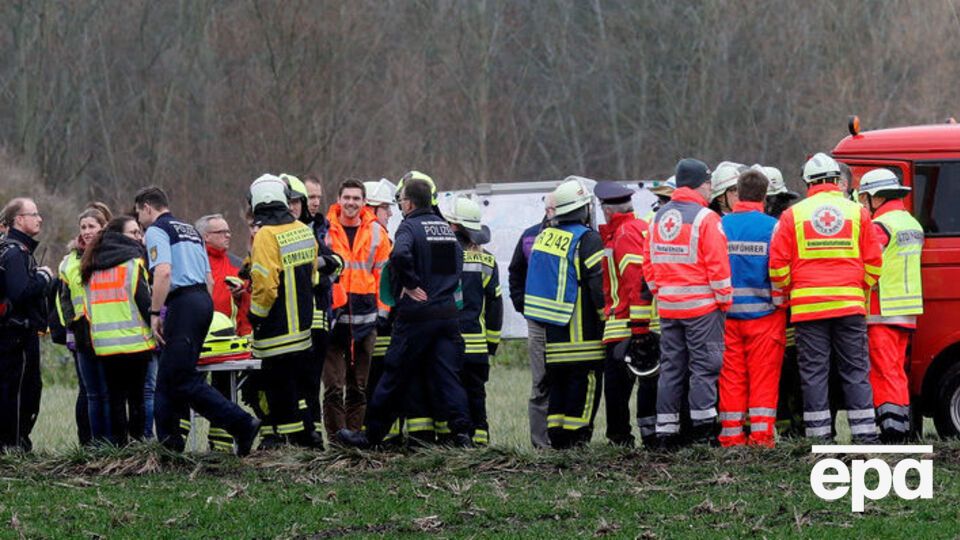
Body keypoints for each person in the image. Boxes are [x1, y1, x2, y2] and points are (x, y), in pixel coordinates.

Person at [337, 173, 471, 448]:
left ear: (408, 204)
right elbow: (459, 260)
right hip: (446, 315)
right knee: (448, 376)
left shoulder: (409, 228)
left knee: (393, 374)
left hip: (418, 315)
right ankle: (462, 434)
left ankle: (370, 435)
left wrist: (410, 284)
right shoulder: (445, 228)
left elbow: (399, 255)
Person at [135, 186, 259, 455]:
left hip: (183, 302)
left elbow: (164, 272)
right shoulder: (190, 230)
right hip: (203, 301)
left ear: (147, 207)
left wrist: (156, 313)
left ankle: (241, 423)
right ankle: (170, 445)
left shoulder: (157, 230)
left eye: (138, 214)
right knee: (168, 378)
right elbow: (210, 279)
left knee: (180, 378)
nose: (138, 221)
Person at [769, 153, 883, 443]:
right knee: (855, 370)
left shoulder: (793, 215)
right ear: (836, 180)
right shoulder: (858, 212)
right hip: (849, 306)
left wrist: (791, 293)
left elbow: (778, 267)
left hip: (808, 311)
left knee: (814, 375)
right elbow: (874, 263)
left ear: (808, 182)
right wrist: (859, 288)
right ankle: (865, 437)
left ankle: (820, 440)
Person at [643, 158, 731, 448]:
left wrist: (663, 292)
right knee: (704, 369)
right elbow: (717, 265)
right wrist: (724, 300)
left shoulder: (656, 218)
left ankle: (666, 433)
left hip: (669, 307)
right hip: (703, 308)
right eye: (709, 184)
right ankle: (703, 432)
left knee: (671, 369)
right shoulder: (707, 219)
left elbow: (649, 263)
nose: (710, 190)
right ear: (700, 184)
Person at [525, 177, 606, 449]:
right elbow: (597, 284)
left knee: (558, 392)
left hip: (554, 338)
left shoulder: (544, 237)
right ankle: (577, 443)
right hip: (585, 338)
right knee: (586, 389)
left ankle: (558, 442)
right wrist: (607, 318)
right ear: (583, 209)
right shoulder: (589, 239)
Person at [248, 175, 322, 448]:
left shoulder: (265, 235)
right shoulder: (303, 229)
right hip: (303, 328)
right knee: (298, 387)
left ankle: (289, 441)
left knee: (277, 389)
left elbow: (266, 286)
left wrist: (255, 315)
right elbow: (313, 274)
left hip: (275, 331)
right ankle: (307, 436)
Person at [716, 170, 786, 447]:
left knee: (731, 378)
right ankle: (761, 437)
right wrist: (780, 303)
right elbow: (779, 271)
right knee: (764, 379)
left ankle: (732, 437)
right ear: (765, 196)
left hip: (727, 315)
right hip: (765, 316)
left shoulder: (720, 226)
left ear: (736, 194)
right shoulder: (773, 227)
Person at [858, 168, 924, 442]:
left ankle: (892, 432)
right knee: (896, 371)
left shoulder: (880, 226)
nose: (863, 203)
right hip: (906, 312)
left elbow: (869, 262)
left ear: (876, 197)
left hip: (881, 311)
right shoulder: (911, 223)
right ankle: (902, 425)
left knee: (883, 373)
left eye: (865, 198)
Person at [323, 179, 391, 442]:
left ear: (364, 202)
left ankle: (355, 442)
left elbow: (384, 277)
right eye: (347, 197)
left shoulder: (376, 232)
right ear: (339, 199)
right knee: (332, 387)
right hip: (334, 321)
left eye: (356, 198)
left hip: (366, 322)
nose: (351, 203)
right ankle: (336, 440)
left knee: (359, 388)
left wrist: (382, 313)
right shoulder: (325, 231)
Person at [80, 216, 154, 445]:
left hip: (104, 345)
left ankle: (119, 446)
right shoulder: (133, 264)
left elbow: (87, 307)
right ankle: (139, 444)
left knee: (115, 398)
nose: (139, 237)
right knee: (137, 398)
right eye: (134, 232)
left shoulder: (91, 266)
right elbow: (145, 304)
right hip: (136, 342)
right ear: (120, 236)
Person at [595, 181, 658, 448]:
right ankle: (649, 437)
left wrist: (639, 331)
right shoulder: (637, 228)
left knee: (617, 391)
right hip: (638, 323)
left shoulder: (624, 234)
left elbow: (636, 282)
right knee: (647, 386)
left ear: (607, 211)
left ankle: (622, 441)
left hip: (626, 326)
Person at [445, 196, 503, 445]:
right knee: (476, 395)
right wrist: (491, 344)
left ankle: (455, 440)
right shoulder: (487, 261)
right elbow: (495, 307)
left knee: (450, 393)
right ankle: (480, 440)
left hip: (447, 343)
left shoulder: (440, 256)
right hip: (477, 346)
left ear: (453, 225)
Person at [0, 198, 54, 451]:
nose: (39, 218)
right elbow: (20, 293)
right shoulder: (14, 252)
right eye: (34, 214)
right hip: (16, 335)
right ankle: (14, 445)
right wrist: (43, 277)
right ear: (18, 220)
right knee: (22, 390)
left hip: (14, 333)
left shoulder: (11, 250)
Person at [195, 213, 251, 452]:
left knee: (225, 392)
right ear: (206, 236)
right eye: (221, 232)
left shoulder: (237, 264)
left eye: (228, 231)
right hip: (197, 340)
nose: (228, 235)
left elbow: (247, 304)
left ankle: (220, 446)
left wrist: (242, 293)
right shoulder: (195, 262)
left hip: (227, 342)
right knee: (193, 391)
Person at [56, 203, 111, 445]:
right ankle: (91, 444)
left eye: (92, 226)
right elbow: (64, 299)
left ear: (104, 228)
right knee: (90, 394)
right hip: (81, 334)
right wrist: (72, 325)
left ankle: (112, 444)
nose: (87, 231)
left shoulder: (112, 255)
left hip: (110, 331)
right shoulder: (69, 261)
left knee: (109, 393)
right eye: (83, 227)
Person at [507, 193, 556, 449]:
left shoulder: (580, 234)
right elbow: (515, 271)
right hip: (537, 322)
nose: (553, 213)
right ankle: (540, 445)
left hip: (566, 322)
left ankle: (565, 442)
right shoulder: (529, 236)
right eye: (551, 208)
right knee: (540, 383)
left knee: (566, 380)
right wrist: (523, 305)